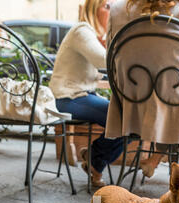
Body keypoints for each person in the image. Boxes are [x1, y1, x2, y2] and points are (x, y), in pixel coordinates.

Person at [105, 0, 179, 178]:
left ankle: (159, 159)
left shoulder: (117, 9)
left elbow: (110, 61)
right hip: (174, 111)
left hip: (130, 107)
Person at [50, 0, 124, 187]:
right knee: (123, 119)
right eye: (107, 6)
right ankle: (94, 160)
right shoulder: (82, 31)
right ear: (93, 9)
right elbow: (103, 60)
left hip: (80, 95)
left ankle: (93, 158)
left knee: (126, 117)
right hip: (66, 97)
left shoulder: (93, 35)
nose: (112, 11)